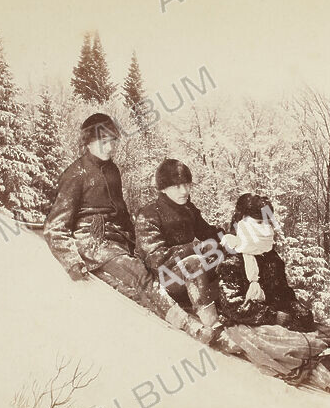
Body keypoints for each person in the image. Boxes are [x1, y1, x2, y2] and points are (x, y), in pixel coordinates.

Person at [43, 115, 212, 344]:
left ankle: (186, 309)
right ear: (89, 142)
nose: (110, 146)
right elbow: (55, 225)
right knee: (138, 275)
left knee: (144, 274)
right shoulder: (76, 173)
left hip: (117, 242)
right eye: (104, 141)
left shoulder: (112, 170)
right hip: (93, 242)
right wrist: (72, 260)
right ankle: (187, 324)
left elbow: (121, 211)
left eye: (113, 140)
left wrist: (134, 243)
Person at [135, 159, 241, 354]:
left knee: (226, 254)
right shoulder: (149, 214)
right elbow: (156, 259)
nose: (184, 191)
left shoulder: (187, 209)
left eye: (187, 185)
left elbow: (207, 231)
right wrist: (193, 249)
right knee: (193, 263)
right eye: (177, 186)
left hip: (191, 272)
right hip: (167, 278)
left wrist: (225, 238)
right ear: (164, 189)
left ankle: (234, 307)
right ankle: (213, 325)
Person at [217, 193, 315, 331]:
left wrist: (296, 309)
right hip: (243, 324)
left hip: (271, 321)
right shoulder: (232, 261)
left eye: (268, 222)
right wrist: (274, 317)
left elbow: (283, 293)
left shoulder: (271, 258)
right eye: (258, 222)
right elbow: (233, 306)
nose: (266, 228)